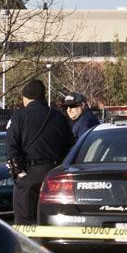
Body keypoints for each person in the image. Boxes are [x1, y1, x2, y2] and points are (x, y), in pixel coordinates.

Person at [6, 80, 75, 224]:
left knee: (24, 220)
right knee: (52, 218)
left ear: (26, 98)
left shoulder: (19, 117)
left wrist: (19, 171)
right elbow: (70, 146)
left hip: (29, 172)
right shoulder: (59, 117)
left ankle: (27, 246)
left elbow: (11, 146)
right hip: (53, 172)